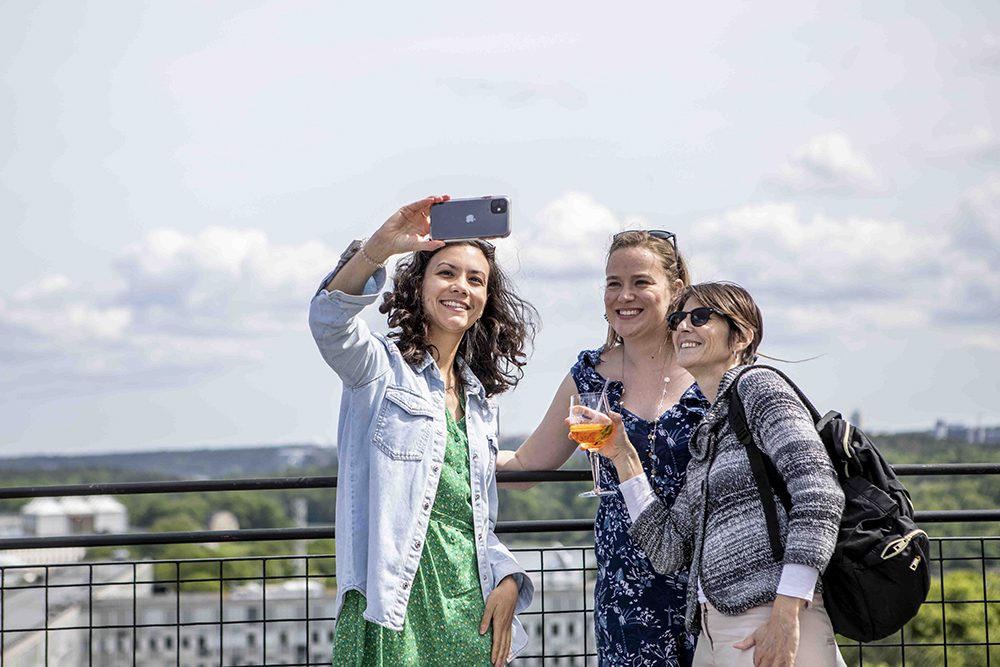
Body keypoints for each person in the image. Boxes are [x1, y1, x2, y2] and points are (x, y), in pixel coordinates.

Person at [309, 196, 537, 667]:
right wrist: (378, 248)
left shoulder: (479, 402)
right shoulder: (379, 369)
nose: (461, 287)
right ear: (419, 285)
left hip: (469, 613)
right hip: (393, 609)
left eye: (476, 280)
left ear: (486, 301)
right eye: (447, 272)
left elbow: (474, 519)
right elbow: (329, 321)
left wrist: (509, 578)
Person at [598, 281, 847, 667]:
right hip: (714, 630)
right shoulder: (711, 430)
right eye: (678, 318)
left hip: (769, 617)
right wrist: (624, 457)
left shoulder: (760, 388)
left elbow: (819, 493)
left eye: (700, 317)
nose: (682, 327)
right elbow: (667, 550)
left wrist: (785, 613)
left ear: (741, 336)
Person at [497, 230, 709, 666]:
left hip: (712, 586)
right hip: (627, 597)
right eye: (613, 283)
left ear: (676, 291)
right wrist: (450, 448)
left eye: (640, 282)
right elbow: (526, 466)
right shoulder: (590, 376)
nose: (624, 295)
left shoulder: (708, 365)